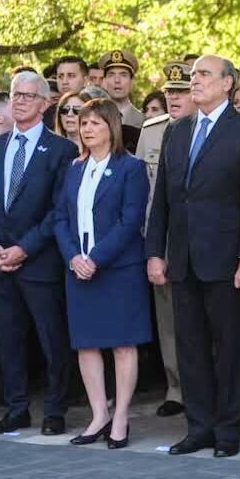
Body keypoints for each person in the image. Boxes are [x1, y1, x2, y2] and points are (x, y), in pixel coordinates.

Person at [145, 54, 240, 458]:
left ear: (227, 84)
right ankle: (198, 426)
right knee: (191, 348)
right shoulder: (177, 131)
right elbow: (163, 199)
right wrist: (155, 252)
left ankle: (229, 429)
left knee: (229, 347)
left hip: (227, 259)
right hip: (182, 259)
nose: (194, 80)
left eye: (203, 74)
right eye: (193, 74)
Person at [53, 98, 151, 449]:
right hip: (78, 269)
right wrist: (73, 258)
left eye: (94, 123)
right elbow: (61, 218)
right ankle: (99, 414)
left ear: (111, 127)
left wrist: (95, 258)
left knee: (123, 345)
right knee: (87, 344)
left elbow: (130, 221)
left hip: (117, 269)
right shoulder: (73, 168)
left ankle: (121, 415)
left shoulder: (131, 168)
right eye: (83, 124)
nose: (86, 129)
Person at [0, 71, 78, 435]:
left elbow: (59, 210)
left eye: (29, 96)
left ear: (45, 104)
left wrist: (24, 248)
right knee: (8, 338)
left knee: (51, 338)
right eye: (16, 95)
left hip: (39, 261)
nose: (20, 101)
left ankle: (55, 409)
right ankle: (16, 407)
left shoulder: (62, 150)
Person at [136, 60, 194, 418]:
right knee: (168, 319)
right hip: (161, 237)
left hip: (198, 239)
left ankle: (205, 383)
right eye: (170, 91)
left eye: (182, 91)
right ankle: (176, 387)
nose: (174, 98)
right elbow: (144, 191)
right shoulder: (152, 129)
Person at [99, 50, 143, 128]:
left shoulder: (143, 121)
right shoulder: (95, 118)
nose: (117, 80)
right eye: (111, 75)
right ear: (104, 81)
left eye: (123, 75)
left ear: (132, 81)